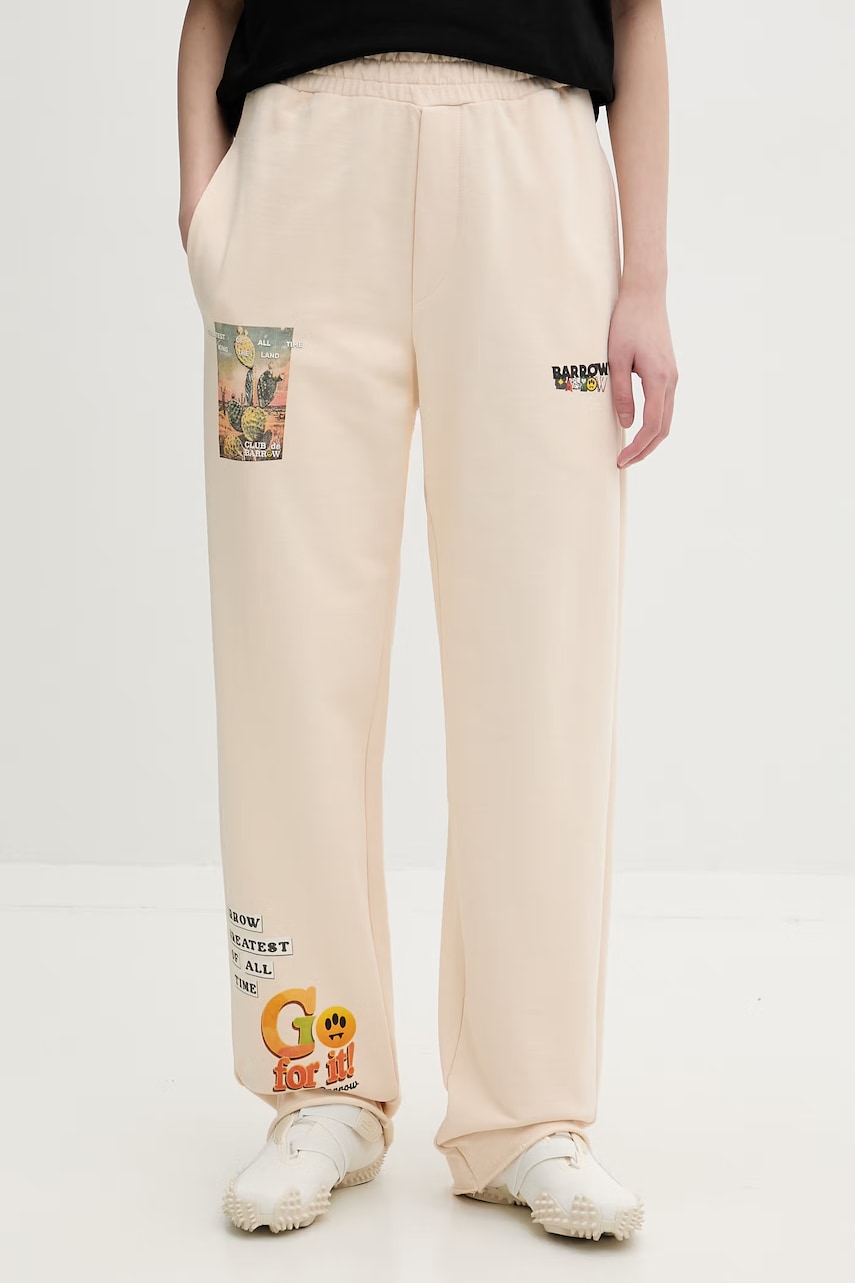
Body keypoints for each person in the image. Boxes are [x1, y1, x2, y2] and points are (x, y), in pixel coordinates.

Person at [176, 0, 677, 1243]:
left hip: (534, 178)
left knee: (541, 650)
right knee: (285, 648)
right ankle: (321, 1080)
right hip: (296, 181)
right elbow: (209, 10)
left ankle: (526, 1111)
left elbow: (636, 13)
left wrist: (646, 278)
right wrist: (207, 218)